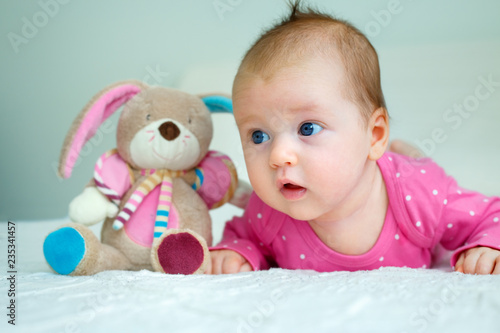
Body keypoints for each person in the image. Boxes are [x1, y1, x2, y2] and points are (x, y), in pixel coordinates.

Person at [207, 1, 500, 275]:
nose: (278, 155)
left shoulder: (420, 195)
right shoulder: (269, 210)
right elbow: (241, 236)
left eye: (307, 128)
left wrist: (487, 245)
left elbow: (490, 215)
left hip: (407, 173)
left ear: (374, 135)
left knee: (414, 162)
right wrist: (236, 254)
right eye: (259, 135)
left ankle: (405, 152)